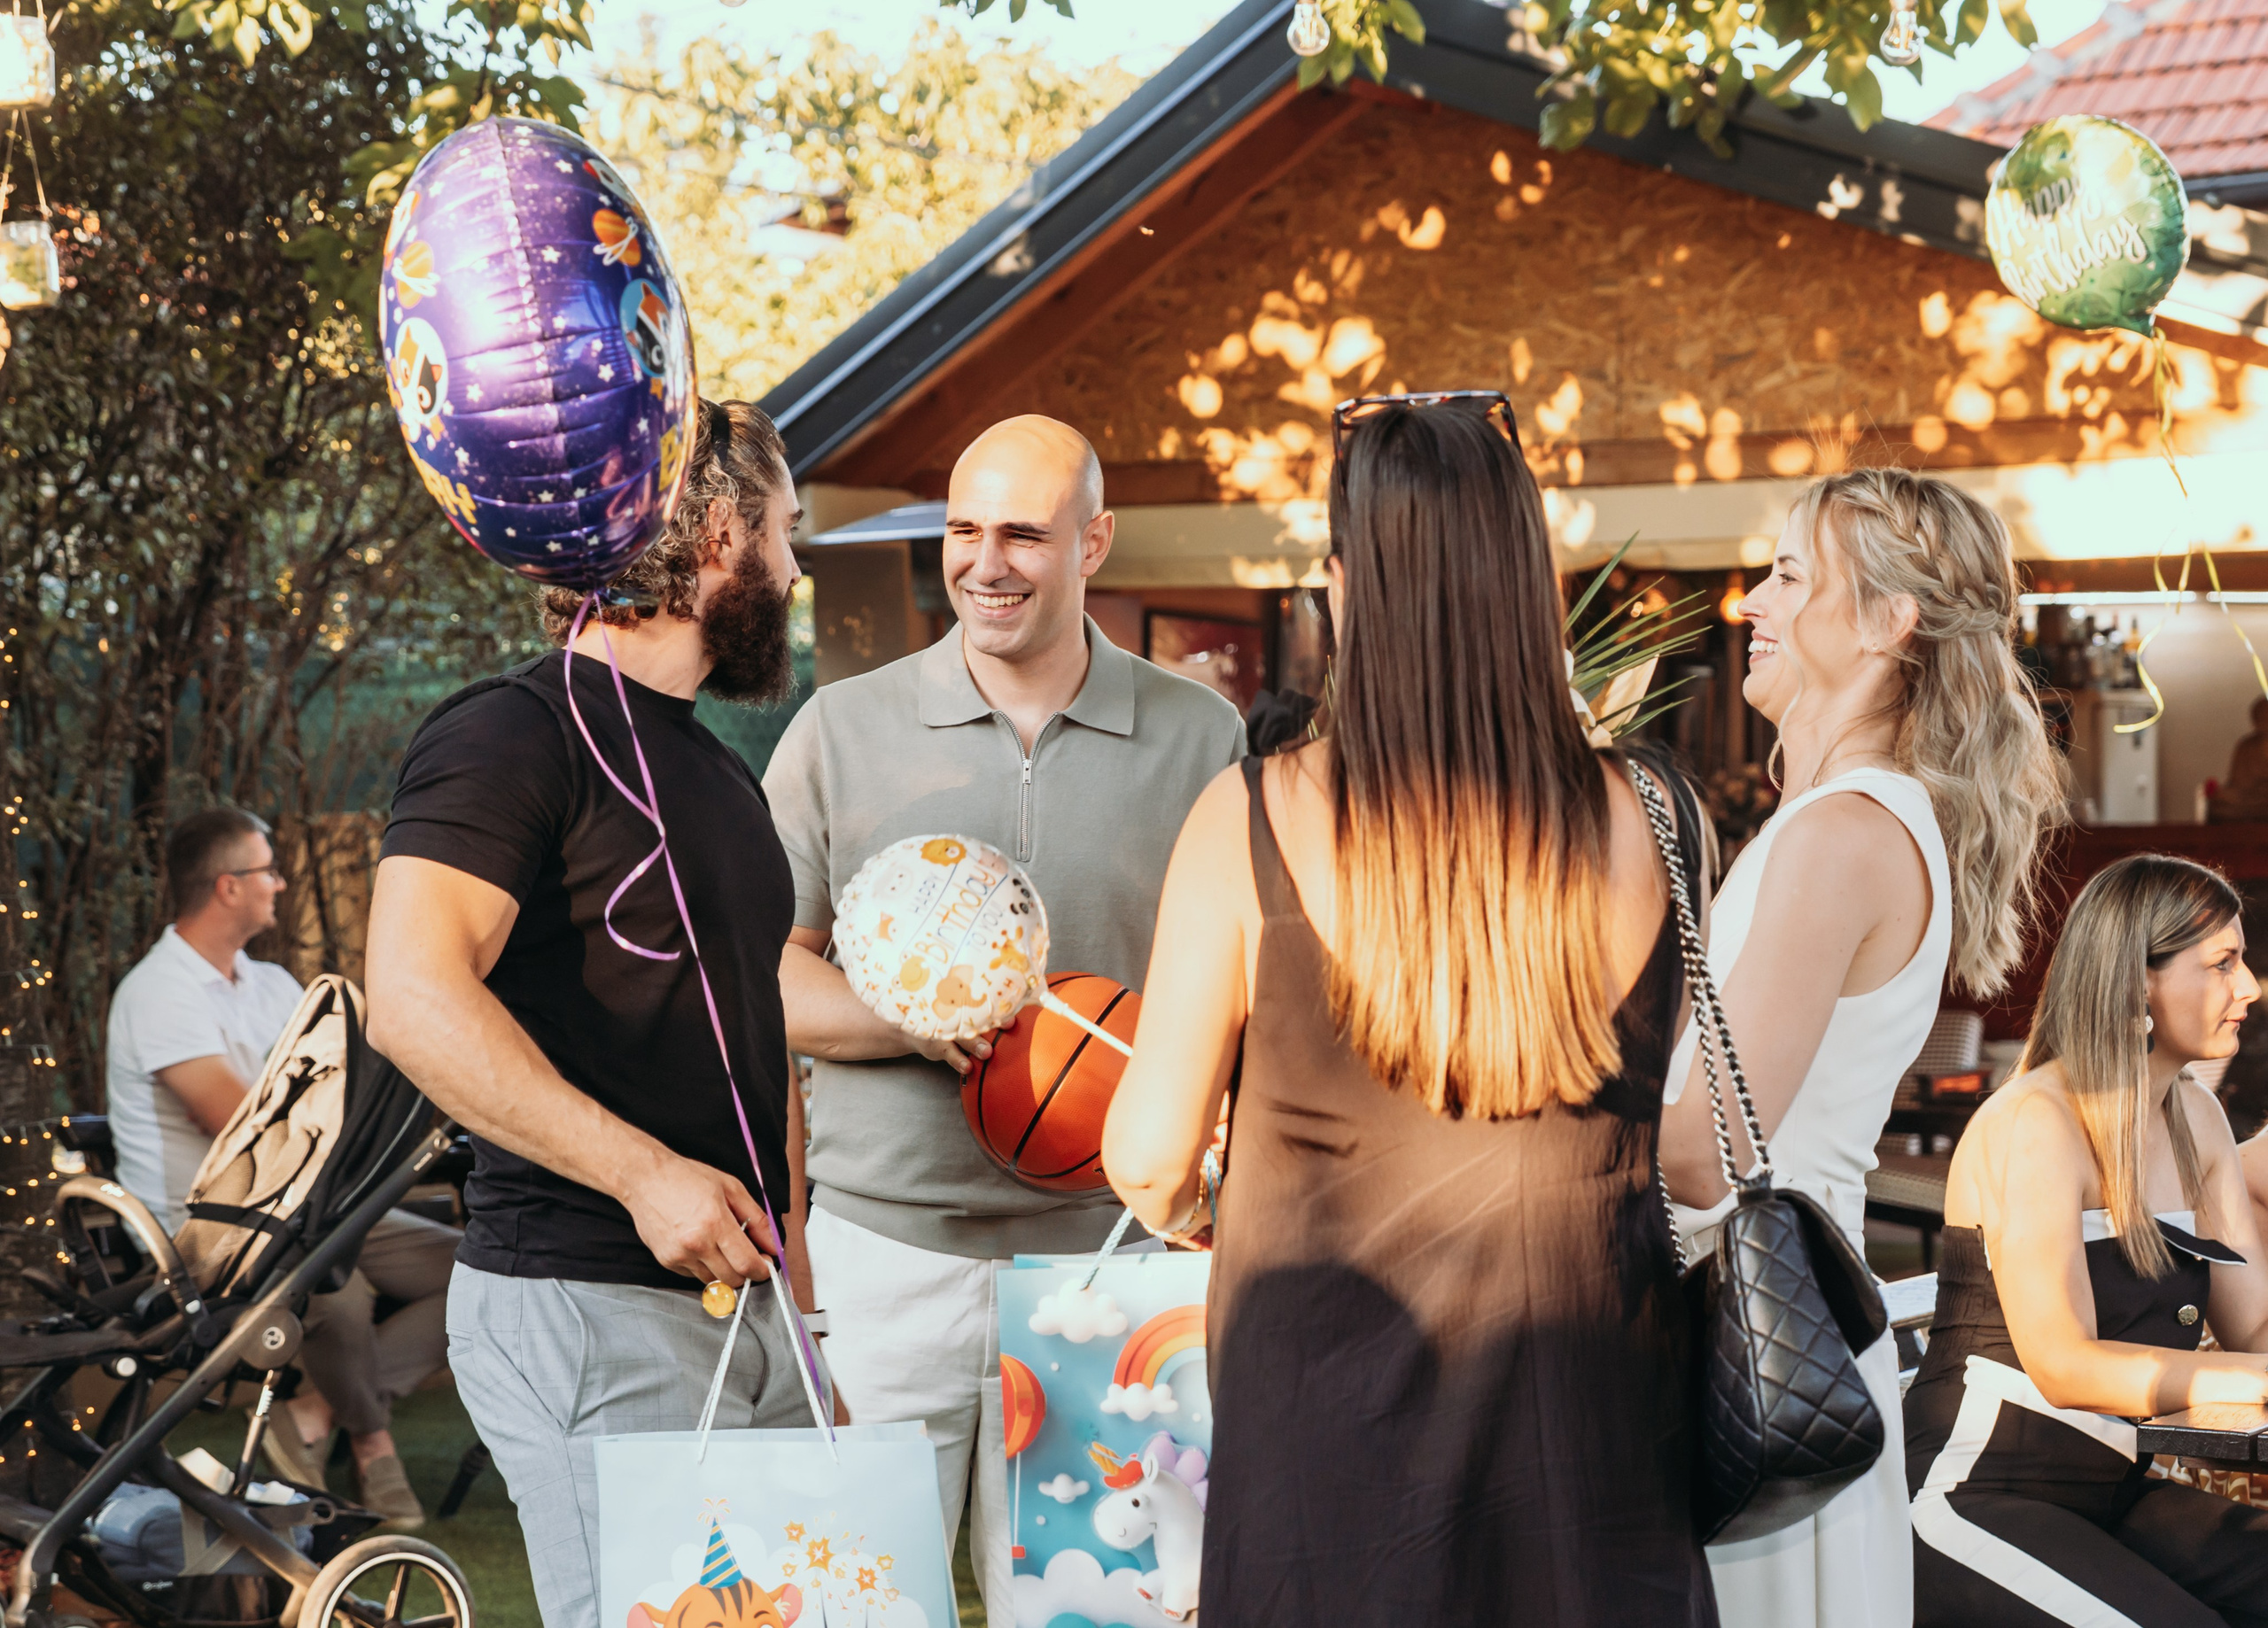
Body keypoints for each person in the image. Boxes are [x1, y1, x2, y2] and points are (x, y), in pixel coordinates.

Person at [1103, 393, 1720, 1625]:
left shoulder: (1251, 816)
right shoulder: (1659, 812)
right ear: (1527, 579)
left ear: (1343, 584)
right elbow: (1699, 1143)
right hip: (1591, 1430)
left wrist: (1209, 1191)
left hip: (1324, 1449)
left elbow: (1148, 1155)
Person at [765, 415, 1243, 1622]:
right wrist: (914, 1022)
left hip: (1113, 1260)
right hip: (890, 1255)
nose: (986, 562)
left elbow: (1245, 997)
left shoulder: (1202, 738)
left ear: (1095, 539)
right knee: (865, 1608)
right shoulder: (840, 729)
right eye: (963, 530)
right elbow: (761, 975)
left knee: (1106, 1609)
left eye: (1024, 533)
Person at [365, 399, 819, 1628]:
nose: (795, 565)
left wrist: (798, 1258)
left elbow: (739, 1027)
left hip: (748, 1310)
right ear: (720, 531)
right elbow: (410, 994)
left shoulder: (718, 766)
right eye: (786, 531)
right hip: (585, 1303)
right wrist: (642, 1174)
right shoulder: (511, 732)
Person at [1657, 468, 2065, 1628]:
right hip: (1794, 1322)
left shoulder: (1841, 834)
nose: (1751, 601)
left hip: (1755, 1332)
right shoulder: (1853, 818)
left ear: (1889, 622)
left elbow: (1704, 1151)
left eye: (1788, 575)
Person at [1908, 854, 2268, 1624]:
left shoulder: (2196, 1119)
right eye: (2224, 964)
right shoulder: (2033, 1122)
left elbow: (2256, 1328)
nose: (2251, 988)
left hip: (2117, 1489)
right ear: (2138, 977)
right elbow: (2065, 1365)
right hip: (1978, 1492)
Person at [107, 807, 454, 1526]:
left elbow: (331, 1108)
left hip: (303, 1205)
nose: (282, 882)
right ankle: (374, 1448)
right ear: (227, 887)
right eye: (268, 870)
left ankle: (314, 1412)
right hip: (207, 1231)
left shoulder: (270, 987)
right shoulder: (158, 992)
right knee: (338, 1292)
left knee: (477, 1270)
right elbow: (245, 1131)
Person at [2209, 696, 2268, 823]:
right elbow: (2237, 785)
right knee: (2220, 801)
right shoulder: (2245, 746)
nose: (2263, 721)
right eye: (2260, 717)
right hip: (2248, 800)